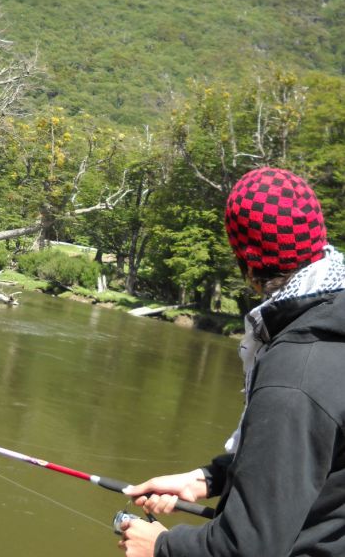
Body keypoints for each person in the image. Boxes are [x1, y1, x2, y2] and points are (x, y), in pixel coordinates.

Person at [118, 166, 345, 557]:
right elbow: (315, 455)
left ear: (248, 261)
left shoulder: (294, 376)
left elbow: (246, 548)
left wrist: (160, 546)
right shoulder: (333, 324)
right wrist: (208, 478)